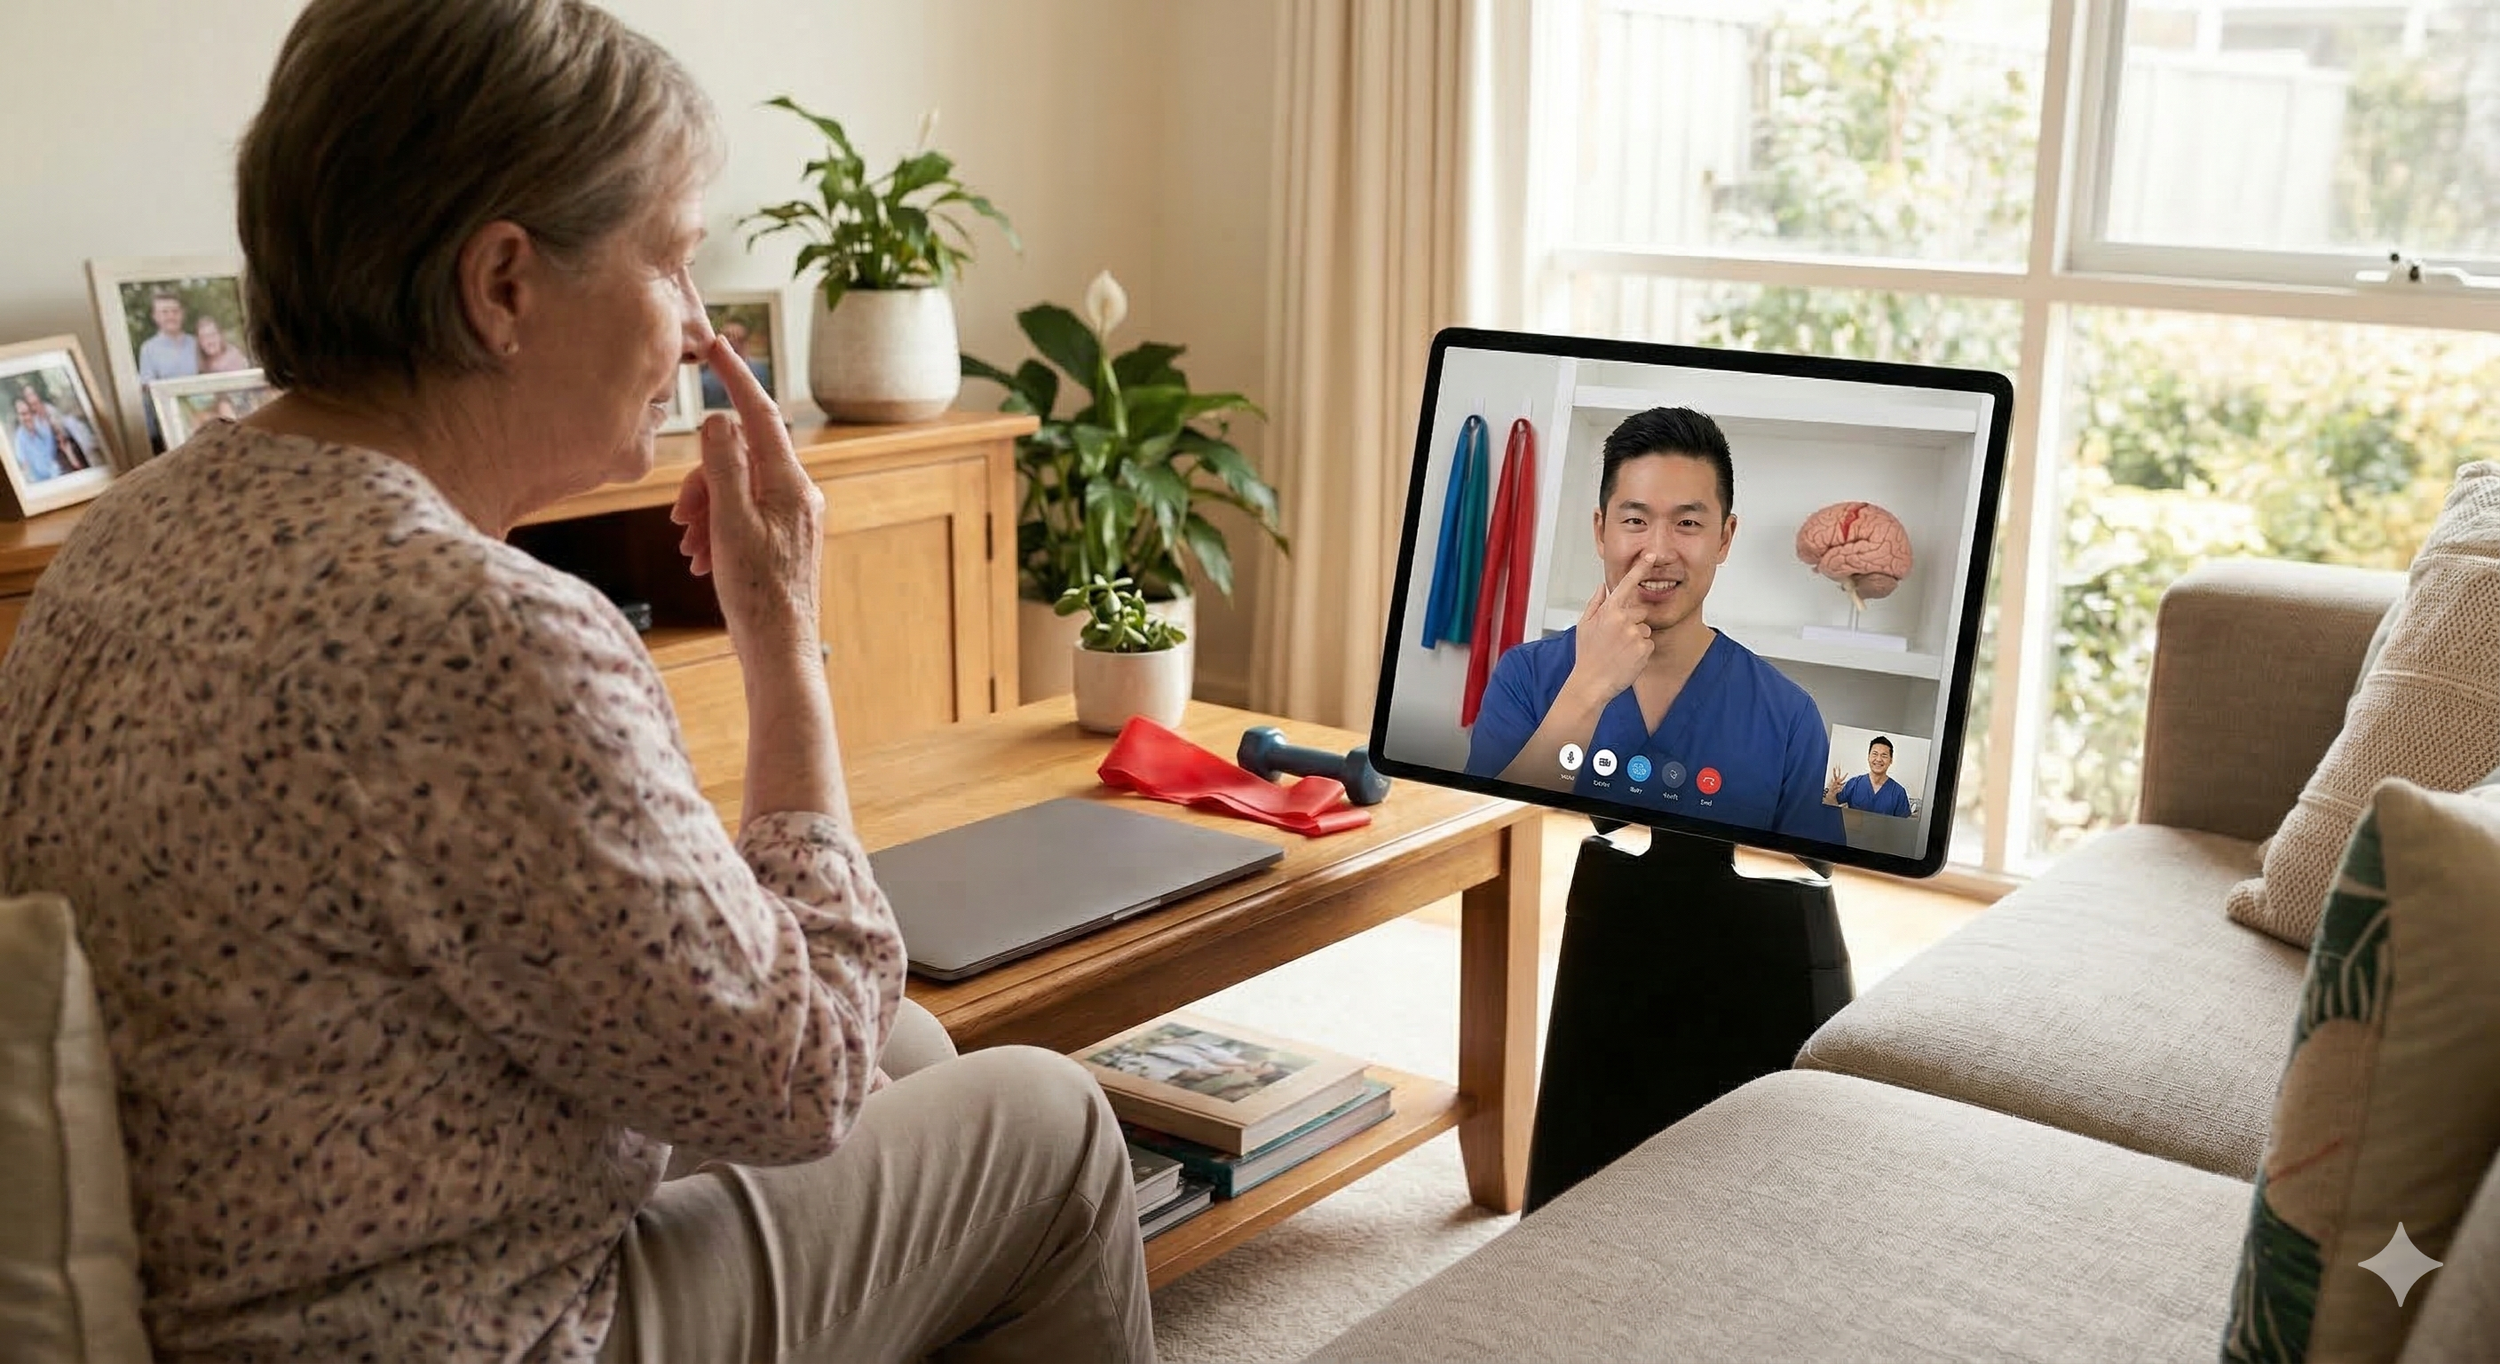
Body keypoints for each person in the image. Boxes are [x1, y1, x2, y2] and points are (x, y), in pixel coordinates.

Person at [0, 3, 1153, 1361]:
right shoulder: (480, 634)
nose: (689, 326)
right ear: (502, 287)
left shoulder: (129, 533)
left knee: (916, 1049)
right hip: (457, 1327)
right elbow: (809, 1069)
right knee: (1045, 1121)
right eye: (671, 260)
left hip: (252, 1259)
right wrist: (779, 635)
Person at [1464, 406, 1845, 842]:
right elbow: (1485, 841)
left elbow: (1812, 882)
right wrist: (1586, 688)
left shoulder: (1791, 716)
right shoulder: (1524, 678)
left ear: (1724, 538)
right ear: (1600, 531)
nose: (1658, 551)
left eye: (1687, 523)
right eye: (1635, 521)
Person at [1826, 734, 1914, 817]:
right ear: (1868, 757)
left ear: (1891, 760)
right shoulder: (1853, 784)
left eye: (1884, 755)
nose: (1879, 759)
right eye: (1875, 754)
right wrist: (1830, 794)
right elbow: (1832, 809)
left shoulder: (1898, 793)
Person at [700, 315, 771, 408]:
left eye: (739, 339)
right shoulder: (705, 381)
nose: (732, 342)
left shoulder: (762, 373)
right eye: (727, 337)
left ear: (746, 343)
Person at [10, 390, 67, 482]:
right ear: (18, 417)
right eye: (23, 414)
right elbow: (25, 468)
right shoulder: (19, 439)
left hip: (57, 475)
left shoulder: (44, 428)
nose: (27, 417)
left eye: (29, 412)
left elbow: (54, 456)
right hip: (38, 482)